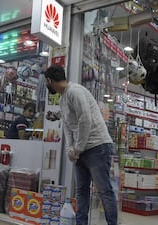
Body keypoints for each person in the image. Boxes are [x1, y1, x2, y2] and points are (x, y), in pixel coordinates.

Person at [44, 65, 117, 225]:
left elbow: (86, 120)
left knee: (104, 190)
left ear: (49, 80)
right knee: (81, 191)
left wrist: (77, 148)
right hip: (81, 150)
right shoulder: (63, 99)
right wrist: (70, 149)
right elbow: (68, 127)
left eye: (47, 82)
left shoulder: (75, 91)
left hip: (97, 146)